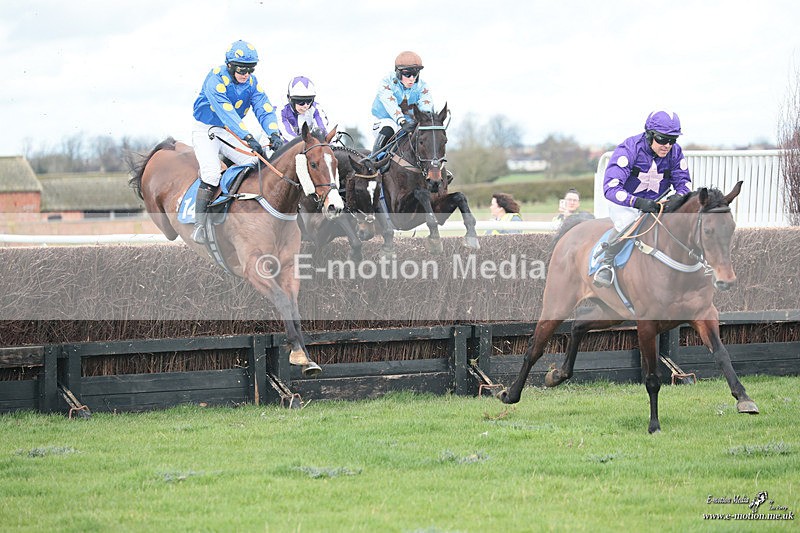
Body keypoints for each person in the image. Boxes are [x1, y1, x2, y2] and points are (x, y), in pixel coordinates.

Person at [190, 39, 285, 244]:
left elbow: (264, 107)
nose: (246, 74)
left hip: (227, 131)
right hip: (206, 129)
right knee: (211, 173)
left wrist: (274, 133)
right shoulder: (215, 77)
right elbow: (227, 113)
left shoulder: (252, 82)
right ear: (230, 65)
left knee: (255, 162)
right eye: (242, 69)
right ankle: (200, 226)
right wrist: (248, 138)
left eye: (250, 69)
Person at [593, 110, 692, 288]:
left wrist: (677, 198)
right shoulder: (628, 149)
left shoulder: (675, 152)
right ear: (649, 134)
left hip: (657, 203)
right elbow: (610, 188)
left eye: (673, 140)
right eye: (662, 139)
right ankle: (605, 263)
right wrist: (637, 203)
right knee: (629, 221)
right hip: (626, 203)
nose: (667, 145)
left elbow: (684, 183)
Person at [370, 51, 433, 156]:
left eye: (415, 74)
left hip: (410, 124)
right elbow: (391, 105)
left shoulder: (422, 86)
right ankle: (372, 160)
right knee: (389, 127)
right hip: (385, 121)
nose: (412, 79)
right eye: (407, 74)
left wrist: (426, 118)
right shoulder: (386, 83)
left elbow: (426, 104)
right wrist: (402, 121)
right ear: (398, 73)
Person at [278, 75, 330, 142]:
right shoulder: (281, 111)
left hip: (306, 145)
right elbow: (288, 135)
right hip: (275, 146)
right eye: (300, 102)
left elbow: (323, 130)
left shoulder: (316, 108)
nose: (305, 106)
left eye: (309, 101)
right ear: (289, 99)